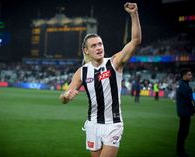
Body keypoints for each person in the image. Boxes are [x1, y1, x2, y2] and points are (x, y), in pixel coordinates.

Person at [59, 2, 141, 157]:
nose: (99, 47)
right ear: (86, 50)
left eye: (100, 44)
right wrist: (66, 96)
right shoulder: (82, 72)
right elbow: (64, 97)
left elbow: (135, 41)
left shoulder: (114, 62)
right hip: (92, 125)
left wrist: (134, 14)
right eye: (94, 45)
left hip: (113, 125)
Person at [176, 68, 194, 157]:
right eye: (189, 74)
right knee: (183, 132)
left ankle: (180, 150)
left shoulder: (182, 85)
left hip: (183, 112)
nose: (191, 76)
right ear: (184, 75)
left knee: (182, 132)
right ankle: (180, 152)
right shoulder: (185, 87)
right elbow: (191, 100)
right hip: (185, 113)